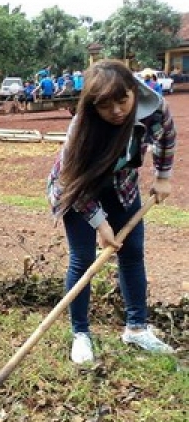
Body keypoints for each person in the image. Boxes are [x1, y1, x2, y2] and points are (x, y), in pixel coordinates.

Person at [46, 60, 177, 364]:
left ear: (134, 91)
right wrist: (100, 224)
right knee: (83, 258)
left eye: (122, 100)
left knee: (132, 253)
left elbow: (166, 136)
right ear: (93, 107)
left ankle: (137, 328)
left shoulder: (153, 108)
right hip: (78, 189)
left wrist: (162, 176)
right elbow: (70, 181)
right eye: (106, 106)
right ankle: (80, 333)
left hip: (123, 186)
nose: (117, 111)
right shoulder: (81, 129)